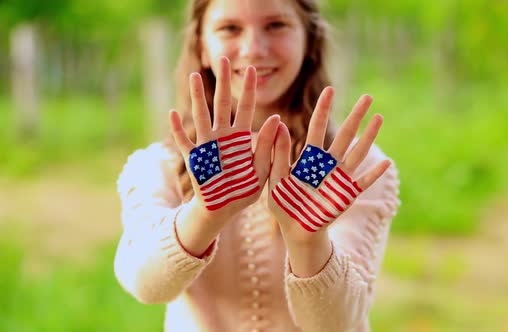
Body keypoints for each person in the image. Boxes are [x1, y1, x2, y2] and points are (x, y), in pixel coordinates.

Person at [114, 0, 401, 331]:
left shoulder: (347, 170)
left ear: (310, 41)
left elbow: (339, 324)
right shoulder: (160, 165)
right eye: (230, 28)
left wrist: (309, 241)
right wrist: (205, 214)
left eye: (276, 25)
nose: (253, 49)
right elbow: (146, 285)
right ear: (201, 47)